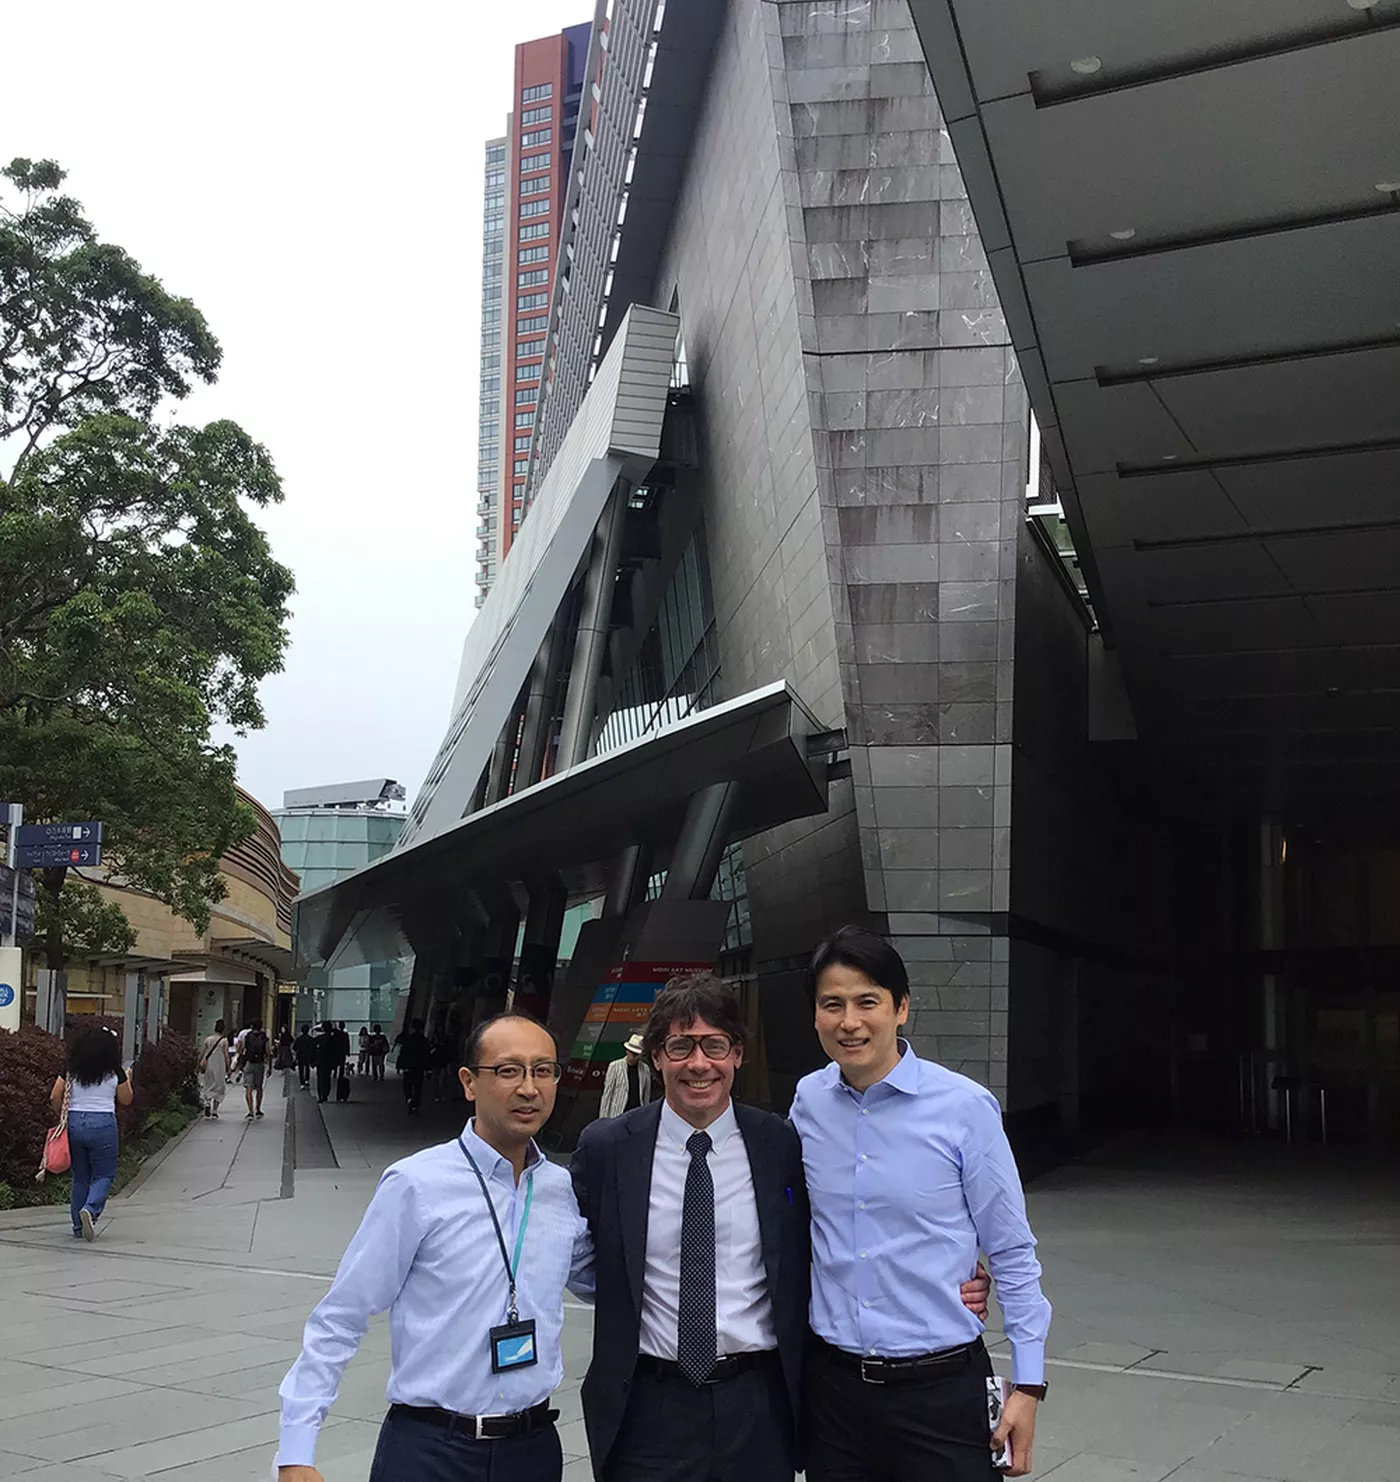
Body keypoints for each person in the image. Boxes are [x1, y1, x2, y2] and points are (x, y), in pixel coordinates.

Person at [274, 1014, 594, 1482]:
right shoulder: (417, 1184)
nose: (529, 1087)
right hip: (431, 1452)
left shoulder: (557, 1187)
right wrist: (296, 1449)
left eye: (543, 1070)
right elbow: (342, 1315)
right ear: (469, 1082)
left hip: (533, 1450)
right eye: (508, 1070)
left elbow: (603, 1280)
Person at [792, 927, 1053, 1482]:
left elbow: (1010, 1248)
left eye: (868, 1002)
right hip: (835, 1395)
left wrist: (1028, 1385)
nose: (849, 1022)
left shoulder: (963, 1108)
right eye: (831, 1005)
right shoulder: (808, 1103)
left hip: (942, 1393)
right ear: (815, 1015)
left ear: (902, 1007)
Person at [570, 975, 809, 1482]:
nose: (699, 1064)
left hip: (758, 1404)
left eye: (714, 1046)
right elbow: (561, 1243)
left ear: (738, 1054)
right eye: (680, 1046)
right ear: (656, 1056)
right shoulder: (608, 1149)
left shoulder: (779, 1145)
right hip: (647, 1406)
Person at [49, 1025, 134, 1242]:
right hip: (103, 1123)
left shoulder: (71, 1068)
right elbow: (126, 1100)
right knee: (104, 1174)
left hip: (75, 1121)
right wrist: (128, 1078)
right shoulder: (115, 1071)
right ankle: (90, 1208)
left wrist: (62, 1115)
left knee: (80, 1177)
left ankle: (78, 1226)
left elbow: (54, 1095)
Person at [598, 1032, 652, 1118]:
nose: (634, 1057)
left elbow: (646, 1096)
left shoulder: (645, 1069)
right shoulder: (615, 1066)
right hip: (618, 1113)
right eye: (632, 1053)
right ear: (627, 1051)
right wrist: (603, 1119)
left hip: (637, 1114)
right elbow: (607, 1094)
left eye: (637, 1055)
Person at [397, 1018, 432, 1116]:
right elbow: (427, 1056)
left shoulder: (408, 1040)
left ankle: (409, 1099)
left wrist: (400, 1066)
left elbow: (402, 1054)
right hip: (419, 1068)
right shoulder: (424, 1041)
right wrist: (428, 1069)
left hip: (408, 1067)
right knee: (418, 1087)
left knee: (407, 1086)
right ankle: (415, 1105)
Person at [198, 1019, 232, 1118]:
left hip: (209, 1065)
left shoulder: (208, 1039)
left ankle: (207, 1102)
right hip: (219, 1066)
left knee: (208, 1083)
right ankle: (215, 1110)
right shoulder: (224, 1041)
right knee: (219, 1086)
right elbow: (226, 1055)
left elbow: (202, 1053)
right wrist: (228, 1067)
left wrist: (199, 1063)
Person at [238, 1018, 270, 1120]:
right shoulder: (264, 1037)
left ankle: (250, 1111)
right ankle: (258, 1109)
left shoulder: (247, 1036)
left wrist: (240, 1062)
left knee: (248, 1088)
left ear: (252, 1026)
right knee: (259, 1087)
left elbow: (241, 1049)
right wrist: (269, 1066)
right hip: (259, 1064)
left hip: (249, 1063)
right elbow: (268, 1052)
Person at [313, 1020, 340, 1104]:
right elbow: (336, 1051)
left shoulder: (319, 1039)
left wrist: (313, 1061)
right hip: (329, 1061)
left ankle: (321, 1095)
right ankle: (325, 1094)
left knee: (320, 1078)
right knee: (327, 1078)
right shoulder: (334, 1039)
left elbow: (312, 1048)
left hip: (320, 1061)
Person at [294, 1024, 316, 1089]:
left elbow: (295, 1047)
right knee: (307, 1067)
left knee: (301, 1069)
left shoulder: (299, 1039)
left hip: (301, 1055)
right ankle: (307, 1080)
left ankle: (302, 1082)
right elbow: (313, 1048)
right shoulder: (311, 1039)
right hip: (308, 1055)